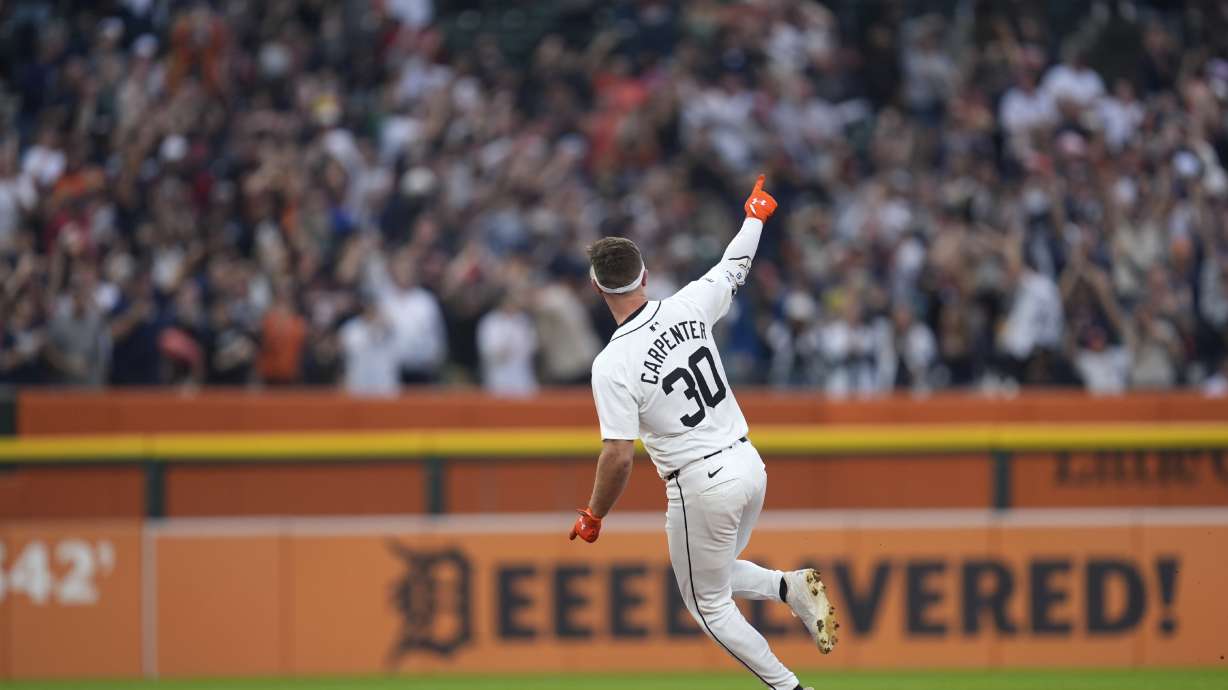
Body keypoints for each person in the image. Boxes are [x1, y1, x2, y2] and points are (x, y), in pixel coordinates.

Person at [568, 176, 835, 690]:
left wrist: (594, 514)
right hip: (748, 464)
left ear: (598, 287)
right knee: (713, 573)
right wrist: (755, 215)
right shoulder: (688, 305)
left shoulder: (611, 364)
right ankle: (788, 586)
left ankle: (790, 688)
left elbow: (619, 457)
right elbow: (735, 266)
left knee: (706, 604)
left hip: (699, 482)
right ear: (645, 275)